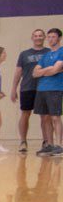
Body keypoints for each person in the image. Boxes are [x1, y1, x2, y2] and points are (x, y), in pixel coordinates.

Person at [15, 28, 53, 153]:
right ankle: (23, 141)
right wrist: (13, 88)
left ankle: (46, 142)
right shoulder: (24, 54)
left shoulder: (50, 52)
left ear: (44, 38)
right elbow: (18, 72)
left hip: (44, 88)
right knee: (25, 114)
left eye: (40, 35)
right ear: (32, 38)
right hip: (27, 88)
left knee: (45, 116)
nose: (38, 37)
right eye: (36, 36)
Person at [35, 29, 63, 157]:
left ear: (59, 38)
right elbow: (35, 73)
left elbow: (56, 70)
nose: (51, 39)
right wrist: (48, 69)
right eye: (49, 37)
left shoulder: (61, 52)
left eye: (54, 37)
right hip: (42, 89)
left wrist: (46, 71)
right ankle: (50, 145)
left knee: (55, 117)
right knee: (45, 118)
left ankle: (60, 145)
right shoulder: (45, 55)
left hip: (55, 88)